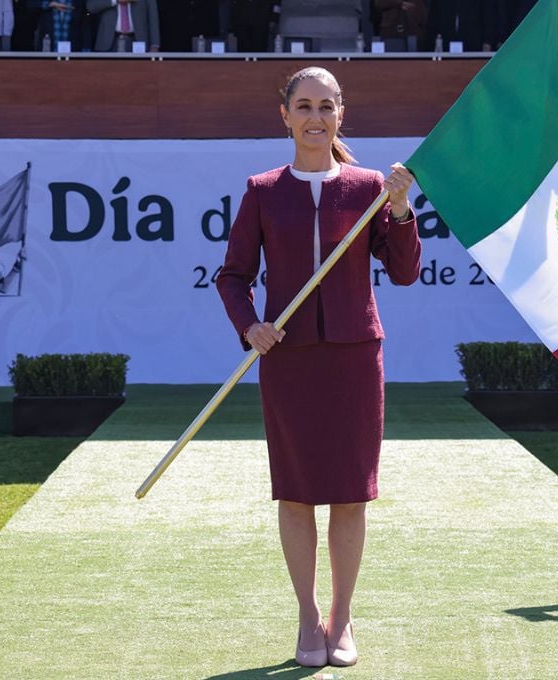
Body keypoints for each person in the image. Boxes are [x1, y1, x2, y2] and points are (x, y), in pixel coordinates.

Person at [215, 67, 421, 667]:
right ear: (284, 115)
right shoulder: (261, 190)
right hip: (287, 360)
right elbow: (232, 277)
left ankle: (344, 616)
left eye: (326, 107)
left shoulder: (367, 189)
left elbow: (404, 271)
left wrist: (402, 208)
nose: (315, 118)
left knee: (351, 496)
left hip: (356, 359)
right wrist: (249, 325)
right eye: (303, 106)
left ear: (341, 114)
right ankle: (308, 618)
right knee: (299, 495)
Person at [87, 0, 160, 51]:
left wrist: (154, 45)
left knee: (138, 72)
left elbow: (153, 17)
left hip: (138, 42)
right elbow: (91, 6)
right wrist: (115, 0)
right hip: (109, 43)